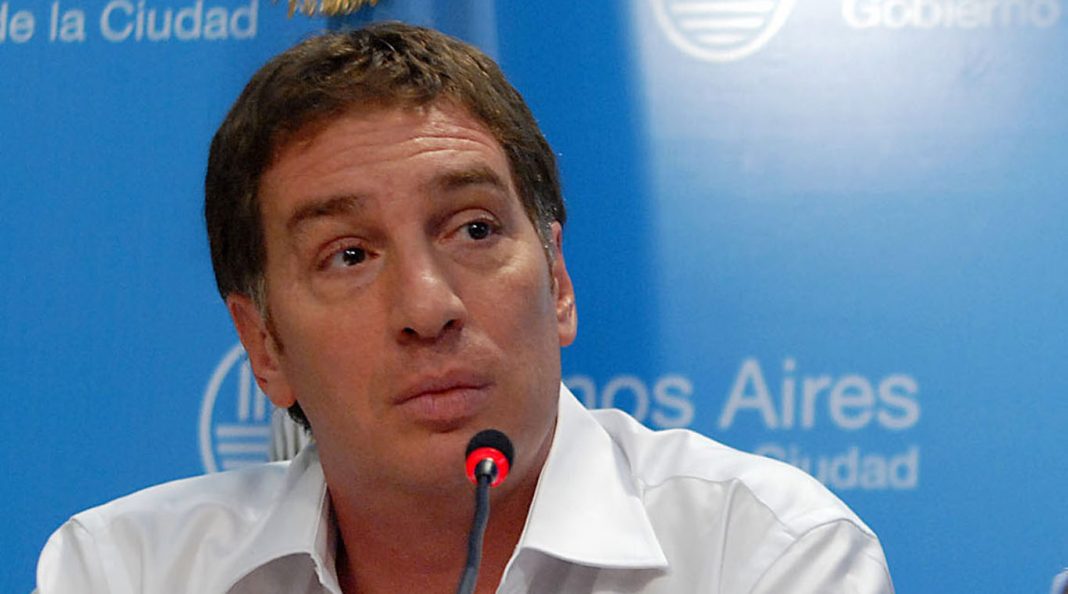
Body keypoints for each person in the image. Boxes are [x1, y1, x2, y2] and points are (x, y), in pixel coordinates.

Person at [35, 22, 894, 593]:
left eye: (474, 229)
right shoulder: (123, 571)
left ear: (557, 279)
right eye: (349, 255)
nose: (428, 306)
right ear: (265, 347)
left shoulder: (762, 555)